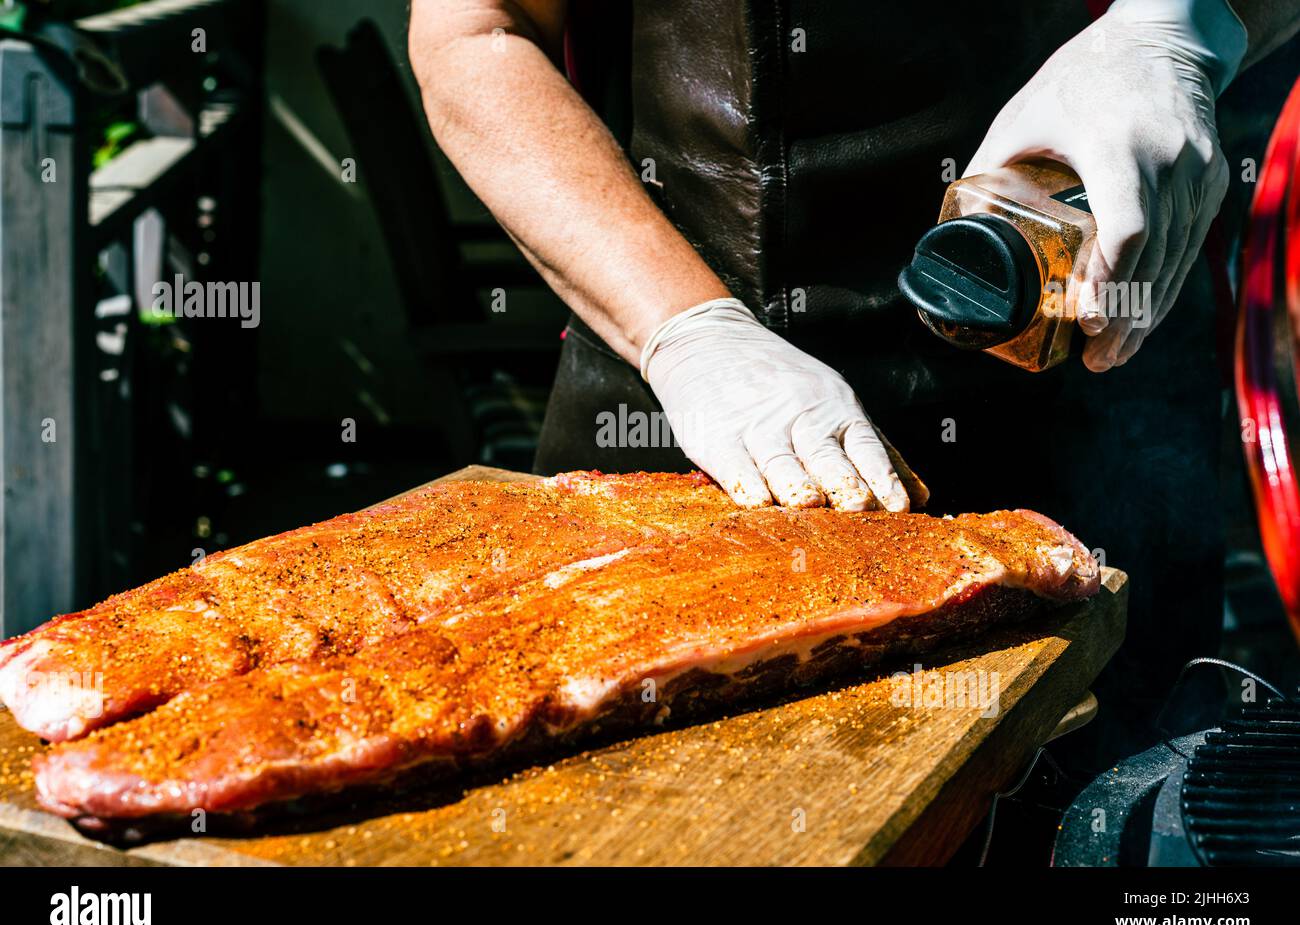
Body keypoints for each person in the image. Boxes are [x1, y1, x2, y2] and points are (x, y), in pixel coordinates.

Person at [408, 0, 1300, 768]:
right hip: (688, 407)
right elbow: (476, 34)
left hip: (1090, 377)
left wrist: (1181, 28)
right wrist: (686, 332)